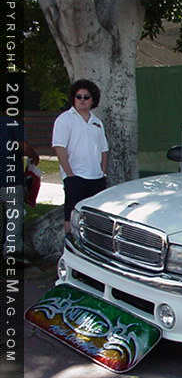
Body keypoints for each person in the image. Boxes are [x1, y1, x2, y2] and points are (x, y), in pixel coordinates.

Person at [52, 80, 109, 234]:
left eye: (86, 97)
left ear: (93, 100)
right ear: (73, 98)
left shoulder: (97, 122)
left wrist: (103, 173)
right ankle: (69, 244)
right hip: (75, 177)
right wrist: (70, 175)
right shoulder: (65, 119)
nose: (82, 100)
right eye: (78, 97)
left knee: (94, 218)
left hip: (97, 178)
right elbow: (59, 148)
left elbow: (104, 150)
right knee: (71, 217)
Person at [1, 116, 40, 263]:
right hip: (9, 177)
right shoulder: (12, 122)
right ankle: (12, 251)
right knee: (14, 213)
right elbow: (22, 146)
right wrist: (34, 155)